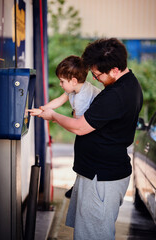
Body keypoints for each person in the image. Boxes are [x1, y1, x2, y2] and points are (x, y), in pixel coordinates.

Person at [34, 38, 143, 240]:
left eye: (96, 74)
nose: (93, 78)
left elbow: (80, 127)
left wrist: (54, 116)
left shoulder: (117, 95)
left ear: (115, 70)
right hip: (97, 174)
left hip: (101, 179)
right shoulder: (128, 83)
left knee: (94, 235)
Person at [29, 55, 101, 198]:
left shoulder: (83, 97)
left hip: (96, 133)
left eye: (62, 81)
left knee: (85, 155)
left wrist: (56, 118)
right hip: (88, 128)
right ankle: (79, 183)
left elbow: (77, 124)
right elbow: (59, 100)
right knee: (81, 154)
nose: (60, 84)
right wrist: (41, 110)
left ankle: (81, 186)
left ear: (73, 81)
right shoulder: (74, 89)